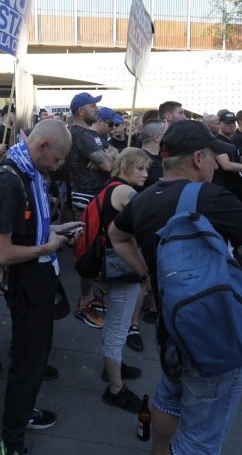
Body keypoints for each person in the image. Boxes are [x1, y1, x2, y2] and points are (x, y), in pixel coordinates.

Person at [108, 120, 242, 455]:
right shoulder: (208, 197)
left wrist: (147, 276)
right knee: (201, 437)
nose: (215, 163)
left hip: (172, 321)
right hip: (214, 327)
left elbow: (116, 235)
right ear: (199, 157)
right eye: (213, 156)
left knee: (170, 394)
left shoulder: (142, 199)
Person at [0, 119, 80, 455]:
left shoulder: (30, 171)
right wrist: (47, 247)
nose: (57, 167)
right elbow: (1, 253)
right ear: (42, 147)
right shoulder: (12, 181)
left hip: (37, 280)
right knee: (28, 364)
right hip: (26, 285)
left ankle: (22, 414)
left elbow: (35, 227)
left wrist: (58, 229)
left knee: (35, 359)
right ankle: (11, 441)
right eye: (57, 159)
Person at [97, 148, 152, 413]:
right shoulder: (124, 192)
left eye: (147, 168)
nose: (145, 173)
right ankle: (115, 389)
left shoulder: (114, 186)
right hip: (122, 267)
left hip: (120, 266)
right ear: (126, 166)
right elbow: (150, 217)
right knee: (118, 328)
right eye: (140, 168)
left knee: (117, 324)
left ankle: (114, 366)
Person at [66, 92, 116, 329]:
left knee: (98, 249)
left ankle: (91, 296)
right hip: (85, 197)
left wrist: (105, 158)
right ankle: (84, 303)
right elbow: (109, 164)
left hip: (97, 195)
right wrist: (104, 160)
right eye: (92, 106)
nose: (97, 109)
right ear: (79, 111)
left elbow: (115, 154)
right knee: (88, 252)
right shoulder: (79, 135)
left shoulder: (91, 134)